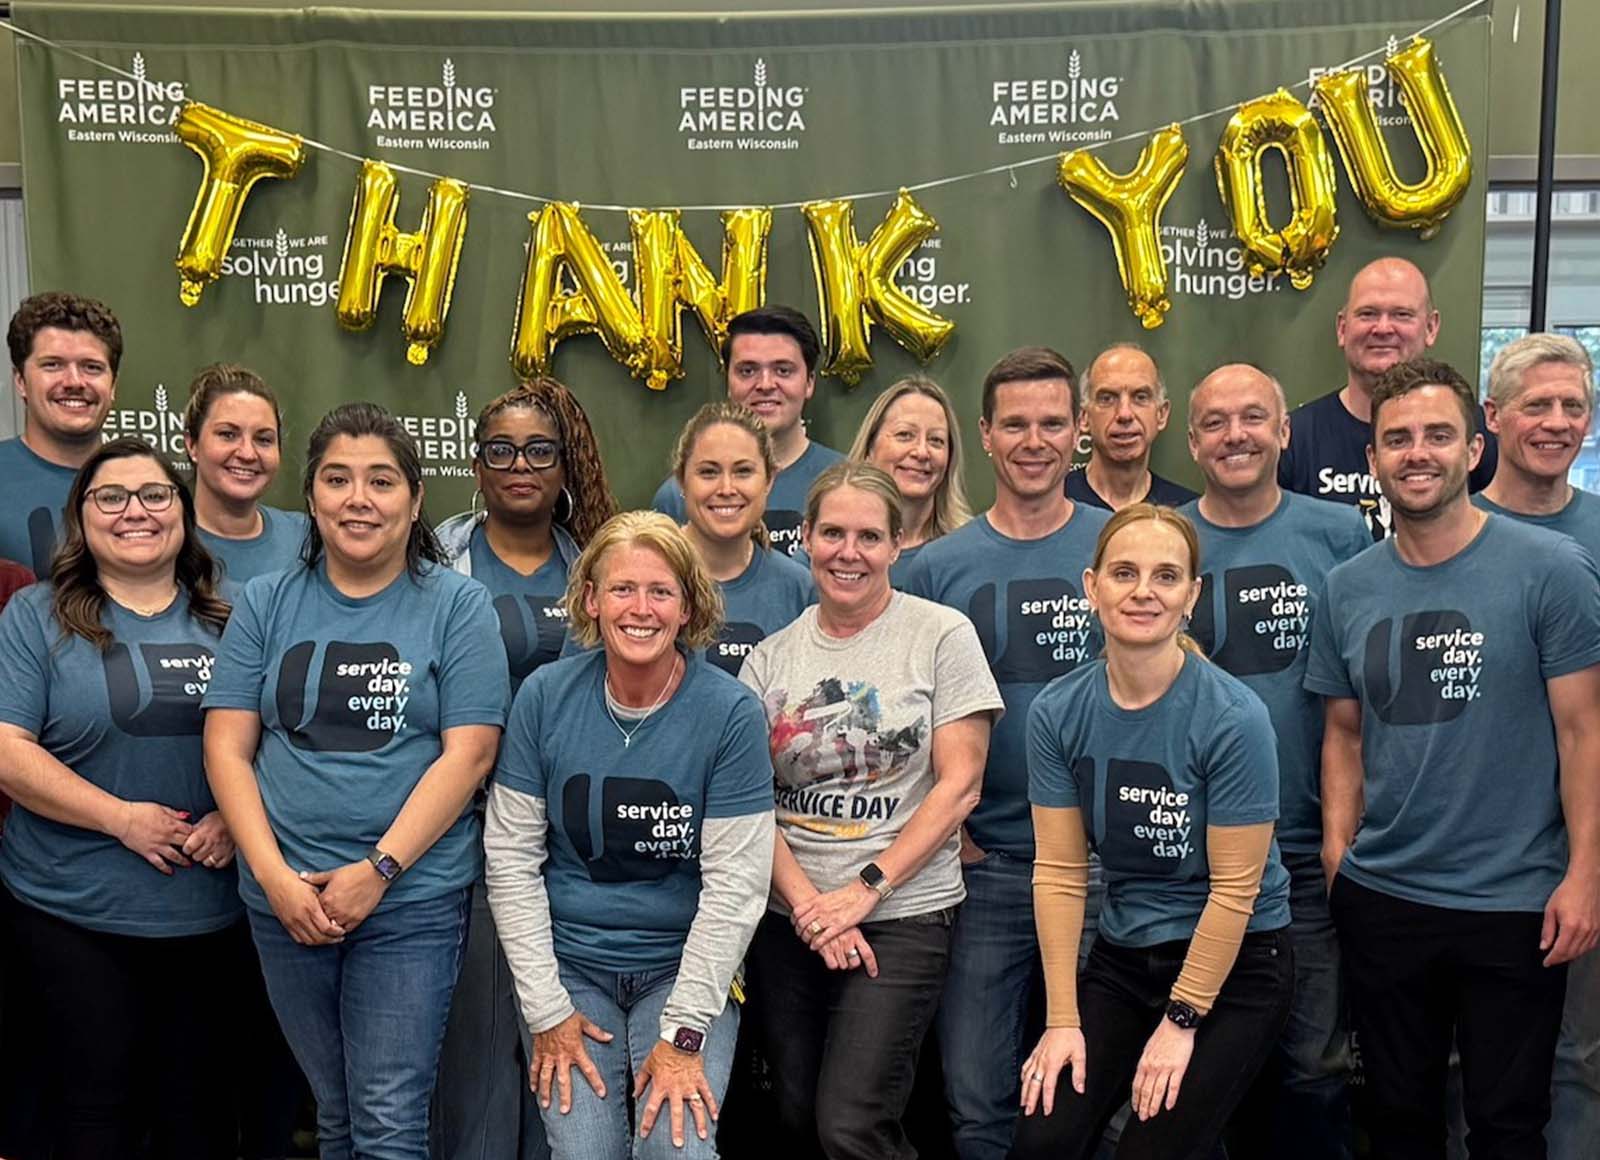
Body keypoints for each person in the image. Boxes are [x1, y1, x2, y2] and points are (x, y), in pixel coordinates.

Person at [1306, 357, 1600, 1159]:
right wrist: (1340, 853)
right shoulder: (1346, 588)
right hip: (1386, 896)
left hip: (1516, 902)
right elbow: (1344, 732)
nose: (1417, 453)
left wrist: (1584, 874)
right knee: (1398, 1122)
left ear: (1476, 448)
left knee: (1509, 1125)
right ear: (1373, 461)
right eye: (1396, 439)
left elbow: (1584, 732)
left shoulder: (1552, 571)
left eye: (1438, 435)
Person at [204, 402, 508, 1160]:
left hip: (408, 902)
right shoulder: (267, 601)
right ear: (311, 499)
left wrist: (377, 872)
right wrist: (273, 879)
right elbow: (227, 747)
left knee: (386, 1119)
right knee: (336, 1110)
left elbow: (468, 755)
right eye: (337, 479)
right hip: (285, 902)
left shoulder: (458, 605)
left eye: (380, 481)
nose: (358, 499)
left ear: (413, 500)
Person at [485, 511, 776, 1160]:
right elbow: (510, 862)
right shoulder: (543, 698)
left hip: (682, 971)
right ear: (590, 598)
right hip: (570, 969)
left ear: (688, 606)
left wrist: (684, 1036)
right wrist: (548, 1013)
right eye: (622, 589)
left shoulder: (728, 714)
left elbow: (736, 888)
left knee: (677, 1148)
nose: (639, 609)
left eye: (660, 591)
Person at [1011, 504, 1294, 1160]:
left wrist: (1183, 1018)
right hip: (1124, 955)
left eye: (1166, 577)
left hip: (1240, 962)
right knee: (1041, 1137)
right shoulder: (1058, 711)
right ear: (1092, 587)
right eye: (1125, 572)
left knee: (1150, 1150)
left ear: (1191, 597)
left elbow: (1234, 892)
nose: (1143, 591)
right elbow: (1058, 872)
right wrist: (1061, 1021)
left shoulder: (1233, 718)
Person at [740, 460, 1004, 1160]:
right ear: (804, 537)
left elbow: (961, 786)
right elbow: (746, 806)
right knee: (795, 1116)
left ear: (896, 545)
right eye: (832, 532)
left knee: (852, 1124)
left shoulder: (942, 636)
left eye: (867, 536)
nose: (847, 552)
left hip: (902, 915)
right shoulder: (770, 658)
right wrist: (811, 910)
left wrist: (862, 894)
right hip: (790, 918)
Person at [0, 438, 240, 1159]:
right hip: (68, 912)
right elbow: (9, 752)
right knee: (90, 1116)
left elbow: (271, 747)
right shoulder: (35, 617)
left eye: (156, 495)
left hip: (210, 917)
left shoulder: (232, 624)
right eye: (112, 496)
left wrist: (235, 815)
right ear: (83, 518)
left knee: (195, 1119)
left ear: (184, 514)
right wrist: (122, 820)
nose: (135, 510)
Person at [902, 346, 1110, 1160]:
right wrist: (947, 829)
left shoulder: (1122, 544)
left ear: (1079, 433)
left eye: (1053, 422)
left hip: (1104, 867)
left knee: (1098, 1092)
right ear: (983, 436)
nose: (1034, 440)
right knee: (977, 1098)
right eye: (1015, 424)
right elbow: (904, 718)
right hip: (982, 869)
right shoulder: (932, 568)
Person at [1177, 364, 1370, 1160]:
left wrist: (1341, 838)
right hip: (1192, 857)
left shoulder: (1340, 535)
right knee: (1200, 1070)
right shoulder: (1165, 539)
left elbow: (1355, 708)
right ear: (1191, 443)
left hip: (1306, 847)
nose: (1235, 435)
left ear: (1284, 432)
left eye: (1253, 418)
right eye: (1215, 422)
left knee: (1316, 1067)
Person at [431, 377, 616, 1160]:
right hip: (461, 834)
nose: (520, 465)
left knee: (562, 1053)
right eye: (500, 449)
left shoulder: (602, 562)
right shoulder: (438, 559)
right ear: (476, 465)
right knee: (475, 1055)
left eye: (539, 450)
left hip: (571, 845)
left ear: (564, 464)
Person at [1471, 332, 1600, 1160]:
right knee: (1462, 1062)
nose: (1556, 423)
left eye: (1574, 407)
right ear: (1492, 420)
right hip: (1478, 849)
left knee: (1578, 1055)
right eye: (1536, 406)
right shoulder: (1445, 527)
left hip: (1580, 842)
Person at [1278, 257, 1497, 540]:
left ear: (1431, 327)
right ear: (1342, 328)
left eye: (1402, 314)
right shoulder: (1295, 438)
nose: (1382, 328)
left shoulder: (1473, 428)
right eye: (1368, 314)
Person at [652, 305, 844, 557]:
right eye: (748, 371)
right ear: (728, 382)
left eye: (783, 370)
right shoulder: (678, 497)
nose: (765, 384)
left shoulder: (843, 481)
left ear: (809, 383)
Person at [673, 401, 812, 677]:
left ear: (770, 480)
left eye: (743, 471)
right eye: (708, 472)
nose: (726, 488)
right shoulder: (641, 576)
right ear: (681, 480)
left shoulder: (799, 589)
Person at [2, 291, 121, 575]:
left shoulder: (151, 488)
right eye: (53, 365)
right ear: (20, 381)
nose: (74, 382)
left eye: (91, 367)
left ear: (113, 385)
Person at [183, 363, 307, 595]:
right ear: (192, 444)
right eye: (228, 435)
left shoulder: (307, 538)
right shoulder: (161, 542)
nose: (247, 453)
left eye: (264, 439)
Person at [847, 375, 972, 587]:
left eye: (936, 440)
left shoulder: (969, 550)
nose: (922, 452)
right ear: (870, 448)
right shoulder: (831, 551)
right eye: (905, 435)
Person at [1065, 345, 1197, 512]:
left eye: (1140, 397)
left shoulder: (1185, 512)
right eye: (1107, 398)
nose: (1124, 414)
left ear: (1161, 414)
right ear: (1083, 417)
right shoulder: (1054, 504)